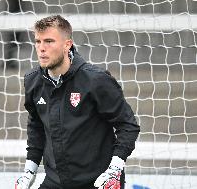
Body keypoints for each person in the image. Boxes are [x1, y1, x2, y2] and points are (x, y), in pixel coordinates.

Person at [15, 15, 140, 189]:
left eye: (49, 41)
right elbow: (36, 126)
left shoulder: (95, 79)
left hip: (99, 182)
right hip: (56, 182)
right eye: (38, 41)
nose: (41, 48)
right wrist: (29, 171)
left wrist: (115, 169)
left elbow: (128, 125)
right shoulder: (33, 81)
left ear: (67, 45)